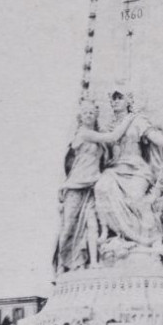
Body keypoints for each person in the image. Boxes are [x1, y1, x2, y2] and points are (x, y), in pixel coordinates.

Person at [94, 87, 163, 250]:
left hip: (137, 170)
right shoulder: (108, 127)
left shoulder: (138, 120)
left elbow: (158, 140)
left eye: (120, 97)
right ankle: (114, 235)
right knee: (101, 187)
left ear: (129, 101)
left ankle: (151, 239)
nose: (115, 101)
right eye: (113, 98)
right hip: (114, 169)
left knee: (135, 199)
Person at [54, 99, 135, 273]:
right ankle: (61, 264)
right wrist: (129, 118)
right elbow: (113, 137)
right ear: (81, 117)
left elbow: (112, 144)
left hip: (92, 185)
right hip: (76, 185)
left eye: (92, 112)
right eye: (85, 113)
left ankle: (95, 262)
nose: (89, 115)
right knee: (68, 226)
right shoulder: (83, 133)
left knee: (92, 225)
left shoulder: (97, 137)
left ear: (96, 115)